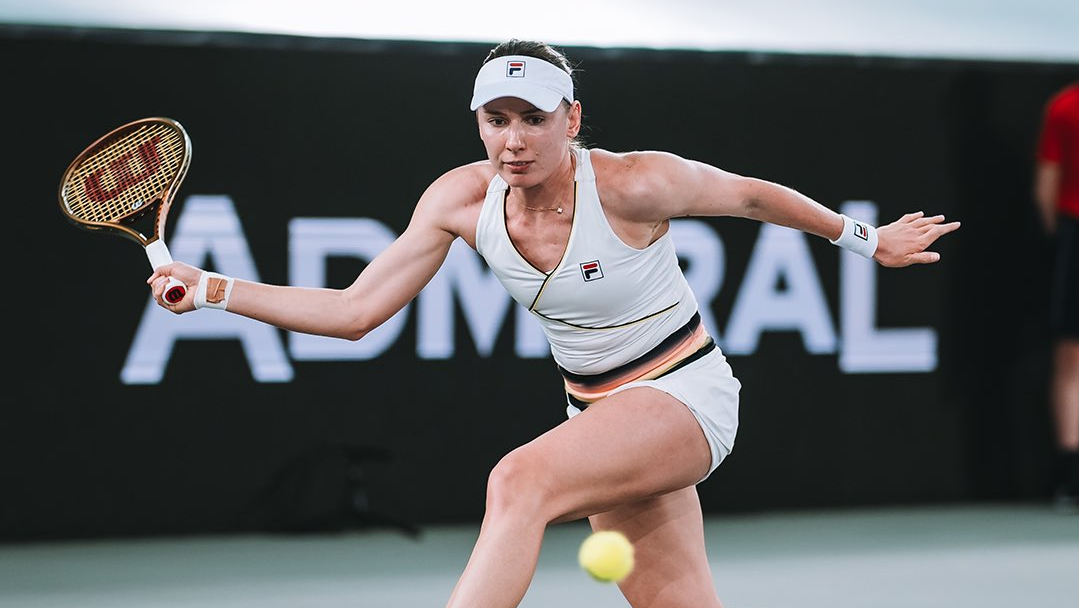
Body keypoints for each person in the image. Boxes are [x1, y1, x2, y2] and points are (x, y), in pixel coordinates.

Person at [149, 40, 960, 608]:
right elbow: (354, 312)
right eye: (495, 119)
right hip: (597, 412)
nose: (512, 140)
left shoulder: (634, 184)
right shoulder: (459, 200)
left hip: (684, 396)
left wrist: (867, 240)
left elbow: (750, 196)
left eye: (531, 118)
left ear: (570, 119)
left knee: (518, 481)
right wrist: (213, 288)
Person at [1034, 81, 1079, 514]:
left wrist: (1061, 239)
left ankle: (1071, 476)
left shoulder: (1064, 106)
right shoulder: (1064, 107)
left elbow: (1046, 190)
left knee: (1070, 359)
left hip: (1073, 237)